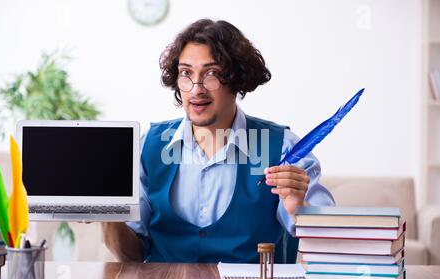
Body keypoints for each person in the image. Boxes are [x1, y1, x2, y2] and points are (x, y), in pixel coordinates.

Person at [102, 19, 335, 263]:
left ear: (237, 79)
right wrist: (107, 211)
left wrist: (299, 208)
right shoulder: (147, 147)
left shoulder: (282, 148)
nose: (196, 89)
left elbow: (333, 248)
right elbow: (130, 256)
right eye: (186, 73)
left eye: (211, 74)